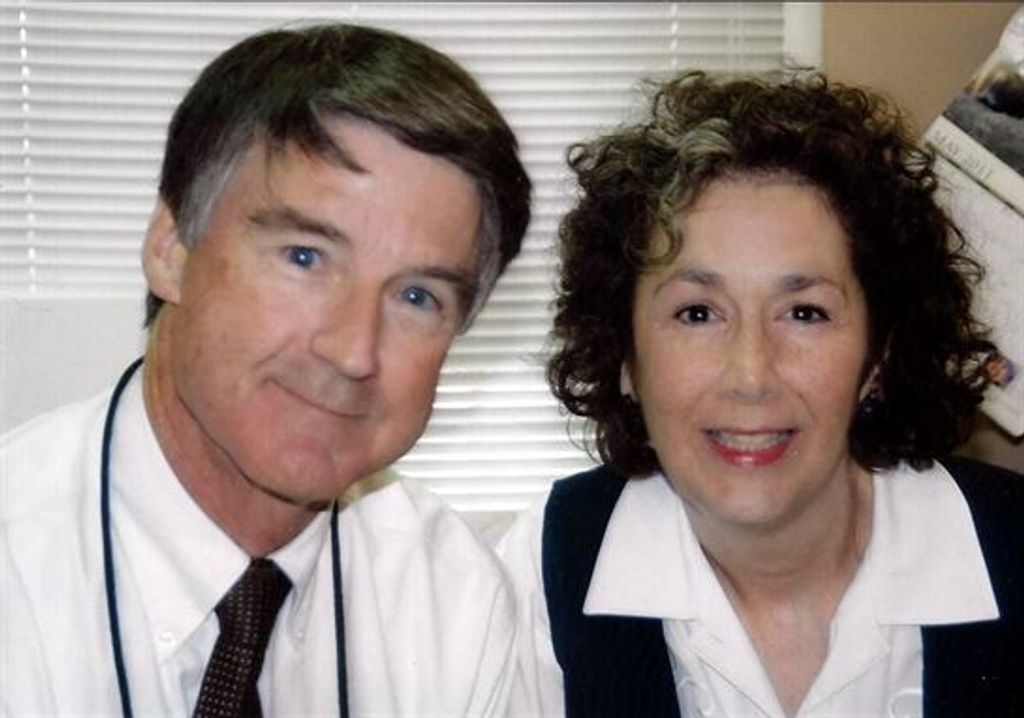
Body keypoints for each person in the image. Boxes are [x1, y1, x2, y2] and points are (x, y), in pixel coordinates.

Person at [1, 23, 530, 716]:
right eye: (305, 258)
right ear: (170, 249)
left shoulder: (453, 603)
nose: (353, 352)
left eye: (416, 297)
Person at [499, 70, 1024, 717]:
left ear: (878, 357)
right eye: (697, 313)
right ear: (624, 355)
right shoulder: (541, 573)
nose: (750, 375)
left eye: (805, 313)